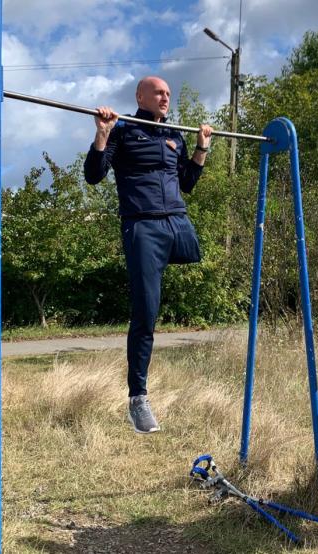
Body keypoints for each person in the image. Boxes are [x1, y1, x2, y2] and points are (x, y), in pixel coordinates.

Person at [83, 76, 213, 434]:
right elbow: (93, 175)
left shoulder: (174, 135)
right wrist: (102, 134)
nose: (165, 97)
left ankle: (159, 267)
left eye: (168, 93)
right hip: (143, 225)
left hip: (177, 223)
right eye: (159, 92)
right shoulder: (124, 129)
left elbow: (187, 182)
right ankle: (138, 399)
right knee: (146, 311)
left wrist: (201, 148)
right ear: (141, 96)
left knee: (198, 259)